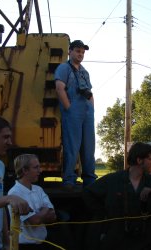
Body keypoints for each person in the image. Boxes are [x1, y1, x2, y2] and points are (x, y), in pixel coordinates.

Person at [83, 142, 151, 250]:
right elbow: (88, 193)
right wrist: (103, 213)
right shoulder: (113, 180)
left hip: (145, 243)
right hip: (115, 242)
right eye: (150, 159)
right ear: (139, 160)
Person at [54, 40, 97, 188]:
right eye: (78, 51)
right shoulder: (64, 68)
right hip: (73, 112)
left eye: (82, 52)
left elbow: (90, 93)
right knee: (72, 146)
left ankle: (89, 179)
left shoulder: (85, 71)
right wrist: (69, 108)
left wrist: (92, 109)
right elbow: (59, 88)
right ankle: (69, 179)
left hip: (87, 113)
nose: (80, 54)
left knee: (89, 147)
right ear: (70, 52)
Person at [0, 116, 31, 250]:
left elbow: (1, 206)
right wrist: (9, 198)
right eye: (5, 137)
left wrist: (6, 241)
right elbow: (4, 200)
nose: (10, 142)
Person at [7, 154, 57, 250]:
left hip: (42, 243)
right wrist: (45, 209)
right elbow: (34, 221)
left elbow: (53, 216)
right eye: (36, 167)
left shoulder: (38, 189)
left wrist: (39, 216)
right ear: (24, 170)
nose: (40, 171)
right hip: (24, 246)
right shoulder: (15, 193)